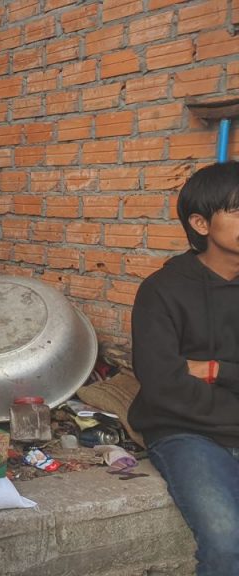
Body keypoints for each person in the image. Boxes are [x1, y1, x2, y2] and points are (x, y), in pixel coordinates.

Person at [130, 161, 239, 576]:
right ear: (201, 223)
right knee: (227, 542)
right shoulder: (161, 291)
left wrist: (214, 370)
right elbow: (163, 385)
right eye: (238, 210)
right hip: (186, 434)